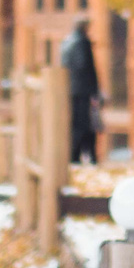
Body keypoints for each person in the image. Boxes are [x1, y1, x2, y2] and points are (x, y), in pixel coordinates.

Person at [59, 18, 102, 165]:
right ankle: (84, 156)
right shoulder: (82, 43)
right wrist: (95, 90)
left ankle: (77, 155)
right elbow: (85, 66)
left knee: (77, 123)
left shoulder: (66, 42)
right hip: (83, 91)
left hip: (71, 90)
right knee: (85, 124)